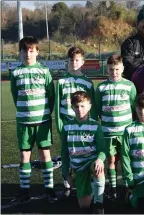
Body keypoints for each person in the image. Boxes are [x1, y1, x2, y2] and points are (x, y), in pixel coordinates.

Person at [10, 36, 57, 203]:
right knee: (24, 157)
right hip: (23, 122)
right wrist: (25, 112)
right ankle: (24, 190)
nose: (28, 54)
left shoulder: (44, 72)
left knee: (45, 155)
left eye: (31, 51)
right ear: (20, 52)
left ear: (37, 52)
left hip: (42, 121)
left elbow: (51, 96)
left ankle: (49, 188)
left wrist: (44, 113)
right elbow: (15, 96)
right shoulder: (16, 73)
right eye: (24, 50)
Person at [55, 46, 97, 193]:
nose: (74, 62)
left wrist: (93, 123)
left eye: (77, 60)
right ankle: (67, 179)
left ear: (83, 62)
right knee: (67, 152)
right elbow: (57, 106)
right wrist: (60, 125)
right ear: (68, 61)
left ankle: (88, 178)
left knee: (84, 151)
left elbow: (93, 106)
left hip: (84, 125)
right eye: (71, 60)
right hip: (67, 124)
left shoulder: (87, 83)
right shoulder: (61, 82)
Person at [95, 55, 136, 200]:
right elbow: (99, 108)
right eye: (111, 69)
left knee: (126, 160)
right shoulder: (101, 87)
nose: (114, 72)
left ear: (122, 68)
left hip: (125, 132)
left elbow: (133, 106)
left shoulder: (129, 85)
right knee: (111, 160)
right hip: (108, 132)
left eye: (117, 69)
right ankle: (112, 188)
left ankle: (126, 187)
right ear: (107, 69)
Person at [61, 91, 106, 214]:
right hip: (78, 168)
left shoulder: (96, 125)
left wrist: (99, 159)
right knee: (84, 206)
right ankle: (91, 188)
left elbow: (102, 150)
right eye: (76, 106)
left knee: (98, 168)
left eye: (83, 106)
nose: (80, 109)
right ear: (72, 108)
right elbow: (64, 152)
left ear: (89, 106)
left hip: (91, 162)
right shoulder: (66, 127)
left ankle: (99, 203)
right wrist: (67, 174)